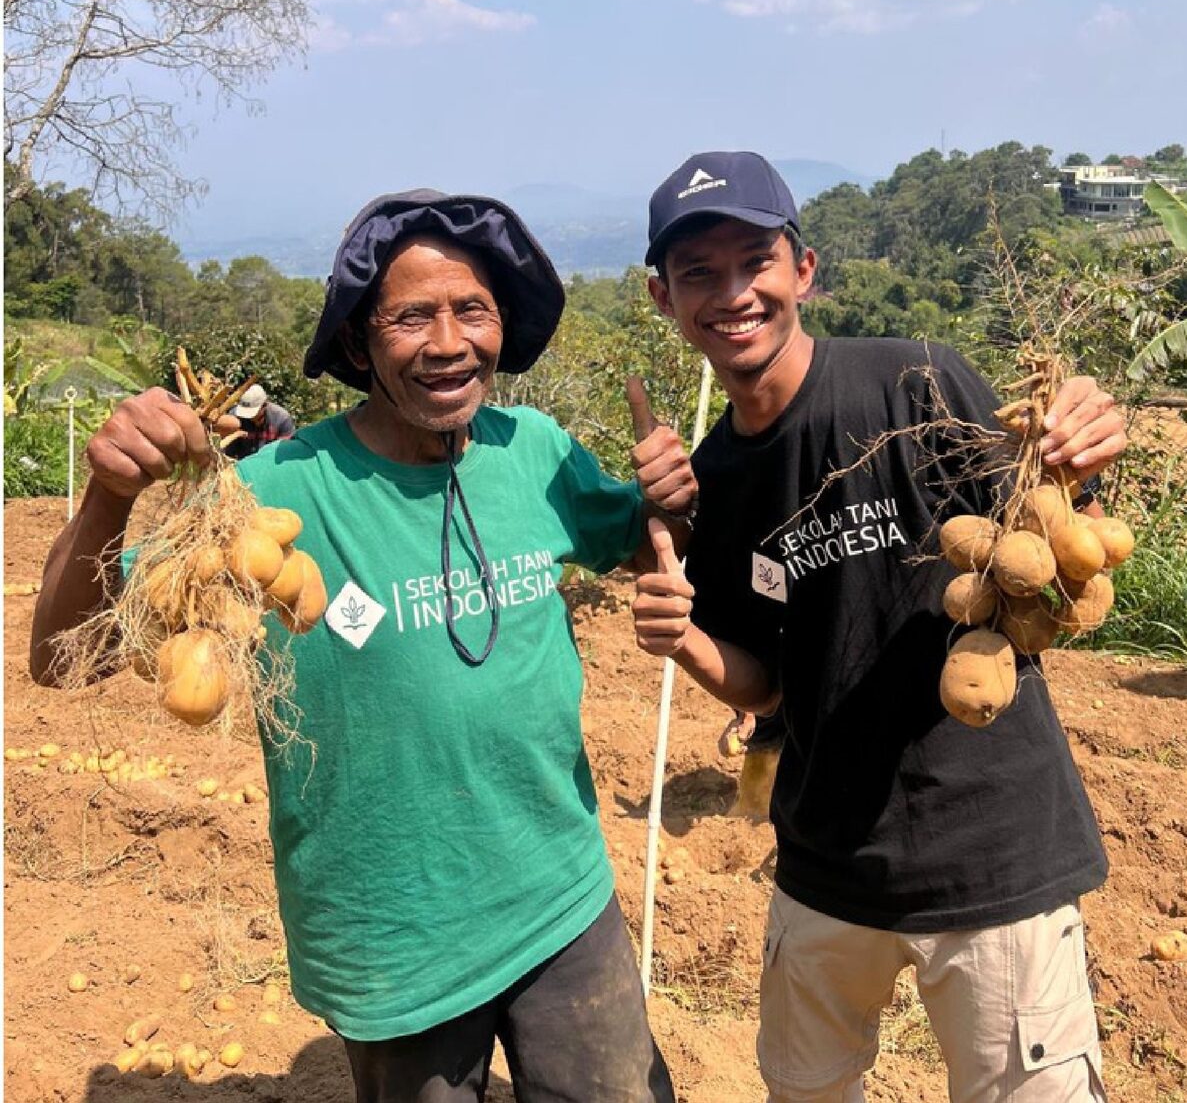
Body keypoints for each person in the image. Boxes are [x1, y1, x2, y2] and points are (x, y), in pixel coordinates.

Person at [30, 189, 698, 1103]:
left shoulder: (535, 450)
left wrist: (672, 503)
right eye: (412, 317)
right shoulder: (268, 494)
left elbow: (643, 541)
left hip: (562, 898)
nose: (450, 342)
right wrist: (110, 496)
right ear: (357, 343)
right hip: (393, 938)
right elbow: (63, 659)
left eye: (473, 310)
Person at [631, 152, 1127, 1103]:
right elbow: (766, 688)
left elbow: (1053, 544)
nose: (732, 293)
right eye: (699, 272)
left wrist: (1079, 456)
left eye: (755, 262)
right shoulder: (716, 478)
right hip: (826, 864)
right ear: (664, 297)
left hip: (992, 857)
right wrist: (682, 635)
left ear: (803, 269)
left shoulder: (917, 382)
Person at [219, 382, 295, 458]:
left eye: (257, 417)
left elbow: (285, 452)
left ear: (264, 406)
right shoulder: (234, 418)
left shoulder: (282, 419)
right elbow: (227, 451)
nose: (252, 419)